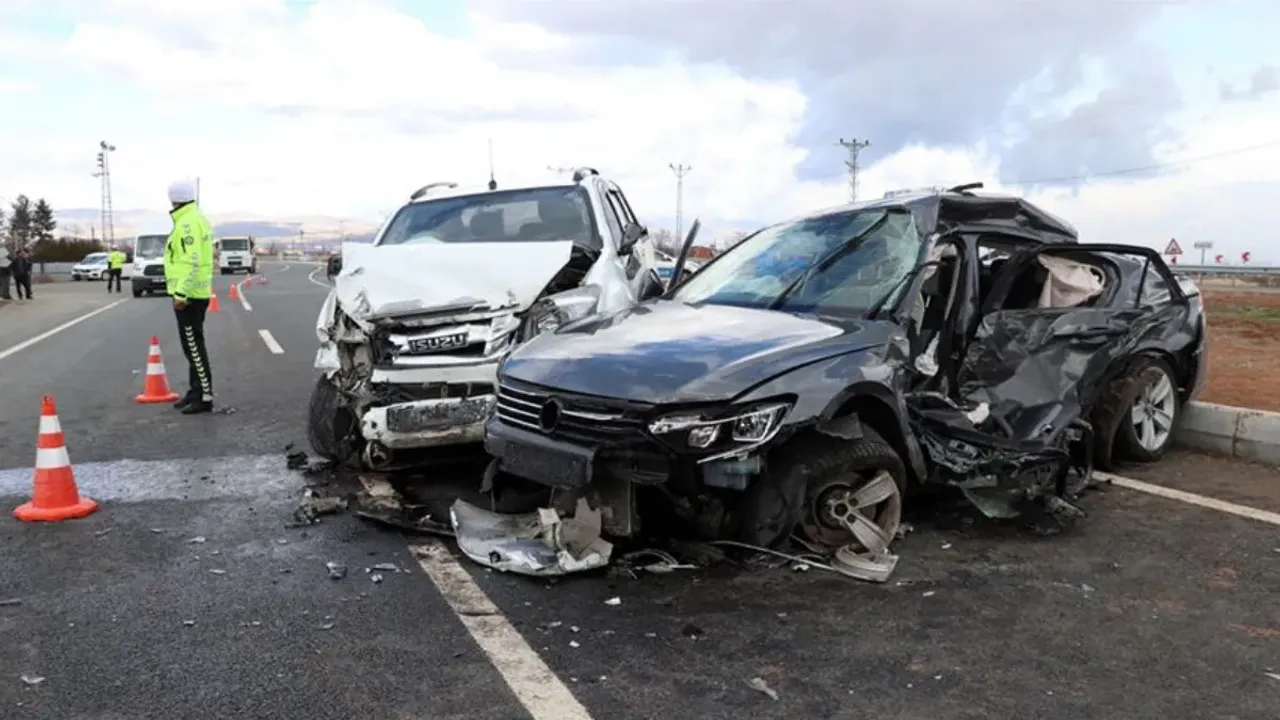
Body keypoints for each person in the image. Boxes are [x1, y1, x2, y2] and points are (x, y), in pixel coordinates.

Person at [164, 178, 216, 414]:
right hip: (194, 292)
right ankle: (195, 392)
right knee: (192, 346)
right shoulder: (194, 219)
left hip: (190, 295)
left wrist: (181, 293)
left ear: (174, 199)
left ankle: (204, 397)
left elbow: (192, 261)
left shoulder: (187, 224)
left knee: (194, 347)